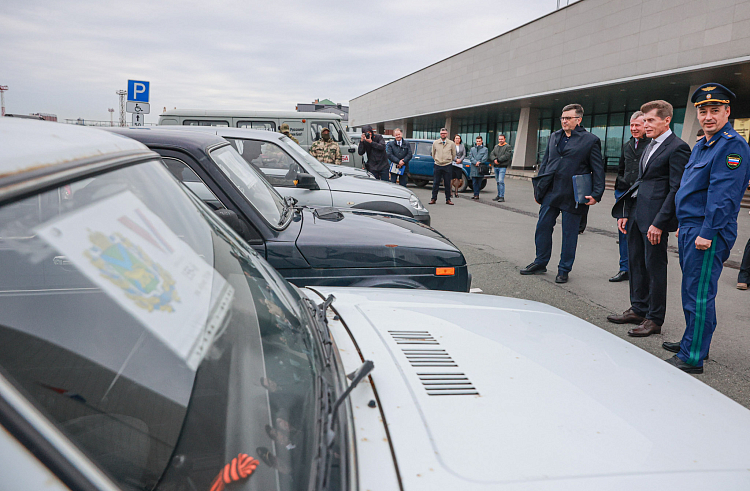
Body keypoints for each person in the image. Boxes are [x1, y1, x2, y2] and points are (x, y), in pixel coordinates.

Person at [661, 83, 750, 374]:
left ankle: (692, 356)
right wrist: (683, 225)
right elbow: (691, 189)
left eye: (715, 110)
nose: (708, 116)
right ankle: (695, 341)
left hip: (708, 230)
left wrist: (706, 232)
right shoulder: (702, 144)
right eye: (703, 111)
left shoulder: (732, 146)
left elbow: (723, 196)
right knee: (691, 290)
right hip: (692, 227)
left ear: (727, 112)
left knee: (699, 293)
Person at [608, 101, 690, 337]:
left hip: (655, 220)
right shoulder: (650, 146)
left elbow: (676, 189)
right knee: (635, 264)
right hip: (636, 214)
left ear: (667, 120)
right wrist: (626, 213)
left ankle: (654, 319)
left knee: (654, 268)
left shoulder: (678, 148)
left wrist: (660, 223)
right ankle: (638, 308)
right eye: (644, 121)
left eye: (651, 120)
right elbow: (641, 182)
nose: (646, 125)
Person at [520, 104, 604, 284]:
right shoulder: (554, 136)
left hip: (573, 194)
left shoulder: (590, 140)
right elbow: (546, 163)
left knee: (569, 233)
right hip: (551, 191)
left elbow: (598, 169)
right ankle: (540, 262)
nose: (564, 121)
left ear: (578, 120)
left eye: (568, 118)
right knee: (542, 227)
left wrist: (597, 193)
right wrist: (539, 189)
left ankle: (564, 269)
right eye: (563, 118)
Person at [609, 111, 651, 282]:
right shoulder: (627, 145)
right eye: (631, 125)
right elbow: (621, 169)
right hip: (625, 195)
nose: (633, 128)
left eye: (637, 125)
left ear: (645, 125)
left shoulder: (651, 145)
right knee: (624, 233)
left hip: (644, 197)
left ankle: (641, 270)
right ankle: (624, 268)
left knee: (642, 236)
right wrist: (620, 186)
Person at [429, 128, 456, 205]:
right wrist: (437, 160)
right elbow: (433, 154)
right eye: (441, 133)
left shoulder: (451, 143)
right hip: (438, 165)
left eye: (444, 133)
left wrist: (449, 160)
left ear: (447, 134)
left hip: (447, 165)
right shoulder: (435, 143)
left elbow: (453, 154)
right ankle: (433, 198)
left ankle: (448, 199)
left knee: (447, 183)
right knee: (436, 182)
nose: (443, 134)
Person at [489, 134, 512, 202]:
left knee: (501, 181)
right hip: (496, 167)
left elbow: (507, 156)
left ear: (504, 139)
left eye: (502, 139)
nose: (500, 140)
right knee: (498, 181)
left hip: (502, 166)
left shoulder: (508, 147)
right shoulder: (496, 146)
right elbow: (491, 154)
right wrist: (495, 159)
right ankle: (498, 195)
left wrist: (498, 160)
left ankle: (502, 196)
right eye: (499, 139)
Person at [468, 136, 488, 200]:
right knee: (474, 182)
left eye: (479, 141)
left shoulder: (485, 149)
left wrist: (479, 162)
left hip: (480, 168)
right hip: (474, 167)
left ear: (482, 141)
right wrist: (475, 162)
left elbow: (485, 158)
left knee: (479, 183)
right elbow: (470, 157)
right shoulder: (472, 149)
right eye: (477, 141)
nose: (478, 142)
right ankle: (475, 194)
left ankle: (477, 193)